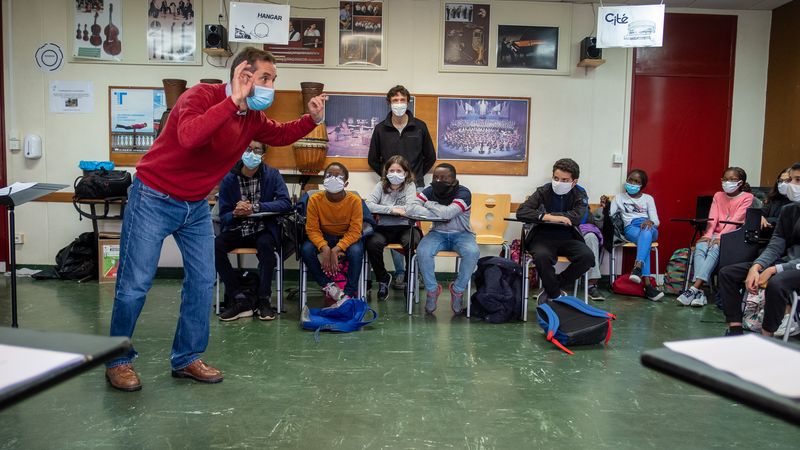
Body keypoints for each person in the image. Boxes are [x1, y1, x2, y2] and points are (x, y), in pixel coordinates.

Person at [104, 47, 326, 392]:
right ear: (243, 75)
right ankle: (118, 360)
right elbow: (190, 136)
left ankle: (186, 358)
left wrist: (311, 119)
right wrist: (231, 102)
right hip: (153, 197)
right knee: (135, 284)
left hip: (193, 206)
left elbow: (279, 134)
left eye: (273, 80)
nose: (271, 86)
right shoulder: (200, 96)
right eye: (265, 78)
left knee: (203, 282)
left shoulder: (251, 117)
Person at [368, 85, 436, 289]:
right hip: (389, 187)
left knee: (412, 232)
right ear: (389, 102)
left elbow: (430, 156)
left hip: (416, 186)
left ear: (408, 102)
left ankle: (413, 273)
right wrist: (389, 177)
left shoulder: (419, 126)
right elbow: (373, 158)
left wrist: (412, 178)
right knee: (390, 225)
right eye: (395, 100)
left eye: (402, 100)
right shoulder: (380, 128)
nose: (399, 103)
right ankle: (398, 274)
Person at [214, 141, 290, 322]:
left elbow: (286, 203)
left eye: (256, 150)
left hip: (262, 228)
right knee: (216, 246)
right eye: (247, 149)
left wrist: (255, 207)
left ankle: (263, 299)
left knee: (266, 248)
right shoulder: (229, 178)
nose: (251, 153)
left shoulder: (272, 174)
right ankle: (238, 298)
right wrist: (235, 212)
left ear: (263, 155)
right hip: (237, 228)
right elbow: (222, 215)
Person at [722, 162, 800, 337]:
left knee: (776, 283)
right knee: (728, 273)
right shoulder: (789, 210)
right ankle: (735, 329)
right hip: (785, 264)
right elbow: (776, 243)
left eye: (798, 180)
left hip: (794, 268)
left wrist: (775, 269)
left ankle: (767, 336)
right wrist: (756, 266)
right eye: (792, 180)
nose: (792, 185)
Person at [516, 158, 595, 304]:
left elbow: (578, 217)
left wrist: (556, 217)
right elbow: (521, 212)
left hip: (568, 237)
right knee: (541, 257)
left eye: (565, 180)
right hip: (542, 237)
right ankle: (555, 294)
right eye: (556, 178)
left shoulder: (580, 193)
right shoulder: (543, 190)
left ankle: (553, 286)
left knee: (588, 257)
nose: (559, 182)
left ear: (574, 182)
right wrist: (548, 217)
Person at [677, 167, 755, 307]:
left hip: (733, 236)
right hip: (714, 233)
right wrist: (707, 235)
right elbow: (713, 217)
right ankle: (699, 293)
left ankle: (694, 288)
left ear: (740, 182)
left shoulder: (747, 197)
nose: (727, 182)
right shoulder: (718, 195)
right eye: (725, 179)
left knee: (715, 248)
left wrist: (721, 237)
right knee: (701, 246)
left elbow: (736, 220)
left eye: (732, 180)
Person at [412, 164, 479, 314]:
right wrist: (438, 213)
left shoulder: (464, 193)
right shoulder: (430, 190)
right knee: (422, 251)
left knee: (472, 252)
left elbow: (448, 214)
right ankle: (432, 290)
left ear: (453, 179)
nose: (438, 180)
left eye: (443, 178)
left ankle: (457, 290)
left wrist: (429, 204)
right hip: (437, 233)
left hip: (462, 234)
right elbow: (412, 207)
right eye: (435, 177)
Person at [300, 162, 364, 303]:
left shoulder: (354, 201)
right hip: (324, 236)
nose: (333, 179)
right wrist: (325, 247)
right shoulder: (315, 200)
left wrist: (337, 249)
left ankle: (348, 293)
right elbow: (312, 229)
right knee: (305, 250)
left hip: (346, 237)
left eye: (338, 176)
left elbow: (355, 231)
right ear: (323, 180)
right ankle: (328, 286)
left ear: (346, 183)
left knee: (356, 252)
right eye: (329, 175)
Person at [364, 156, 422, 301]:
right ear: (386, 172)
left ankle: (409, 280)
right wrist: (392, 210)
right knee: (372, 244)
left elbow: (411, 208)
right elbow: (369, 205)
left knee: (412, 242)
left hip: (406, 227)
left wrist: (383, 209)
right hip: (383, 228)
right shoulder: (380, 185)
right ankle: (383, 279)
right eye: (391, 170)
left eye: (399, 170)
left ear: (406, 173)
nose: (395, 173)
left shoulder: (410, 186)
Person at [607, 169, 664, 301]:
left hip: (649, 227)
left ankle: (638, 269)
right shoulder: (619, 197)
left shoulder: (648, 199)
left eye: (636, 181)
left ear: (642, 185)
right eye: (630, 180)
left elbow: (656, 221)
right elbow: (610, 215)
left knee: (647, 232)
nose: (632, 183)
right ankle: (647, 285)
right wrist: (606, 205)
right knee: (646, 242)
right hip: (631, 228)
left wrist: (650, 222)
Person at [760, 166, 792, 238]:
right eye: (781, 181)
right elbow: (760, 212)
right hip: (766, 237)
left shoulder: (796, 201)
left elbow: (786, 222)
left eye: (787, 181)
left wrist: (768, 220)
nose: (783, 184)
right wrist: (760, 217)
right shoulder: (773, 198)